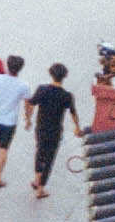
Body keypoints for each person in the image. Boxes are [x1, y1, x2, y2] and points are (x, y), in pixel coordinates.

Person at [28, 63, 80, 200]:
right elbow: (73, 113)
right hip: (55, 131)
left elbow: (31, 103)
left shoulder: (42, 89)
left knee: (39, 152)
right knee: (49, 159)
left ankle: (36, 178)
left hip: (41, 128)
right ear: (64, 76)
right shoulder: (67, 96)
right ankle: (41, 188)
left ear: (51, 74)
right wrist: (77, 127)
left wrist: (28, 118)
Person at [0, 53, 31, 187]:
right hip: (9, 121)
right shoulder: (23, 85)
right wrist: (28, 119)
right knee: (3, 148)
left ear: (8, 66)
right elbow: (27, 104)